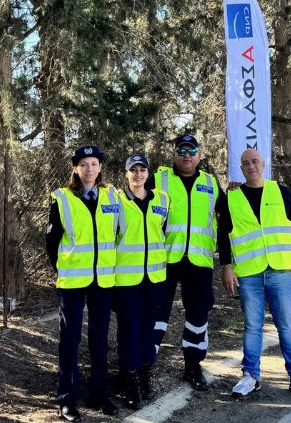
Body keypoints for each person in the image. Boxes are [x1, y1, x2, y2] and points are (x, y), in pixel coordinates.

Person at [218, 148, 291, 399]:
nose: (251, 166)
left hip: (279, 271)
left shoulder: (281, 192)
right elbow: (223, 235)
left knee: (287, 326)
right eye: (246, 163)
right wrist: (226, 266)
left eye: (255, 162)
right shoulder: (232, 196)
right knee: (252, 327)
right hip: (249, 273)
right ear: (241, 168)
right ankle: (250, 376)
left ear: (263, 164)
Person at [46, 145, 123, 421]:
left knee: (100, 340)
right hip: (73, 282)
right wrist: (65, 267)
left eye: (93, 164)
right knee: (70, 340)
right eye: (83, 164)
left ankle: (99, 395)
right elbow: (52, 242)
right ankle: (67, 399)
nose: (89, 169)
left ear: (100, 167)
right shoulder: (61, 198)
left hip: (103, 280)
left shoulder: (112, 196)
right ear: (75, 169)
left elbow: (119, 234)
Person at [152, 134, 220, 390]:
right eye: (182, 150)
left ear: (199, 156)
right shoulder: (159, 179)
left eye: (191, 151)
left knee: (197, 317)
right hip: (165, 260)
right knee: (156, 315)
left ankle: (193, 367)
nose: (187, 155)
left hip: (199, 262)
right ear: (174, 155)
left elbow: (229, 218)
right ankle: (144, 369)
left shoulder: (211, 184)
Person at [113, 153, 169, 407]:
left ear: (148, 173)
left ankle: (146, 374)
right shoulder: (116, 201)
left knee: (149, 328)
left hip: (155, 278)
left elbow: (165, 232)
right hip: (126, 280)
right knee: (129, 329)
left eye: (142, 169)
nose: (138, 174)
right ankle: (130, 380)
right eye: (133, 170)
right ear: (126, 174)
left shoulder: (162, 200)